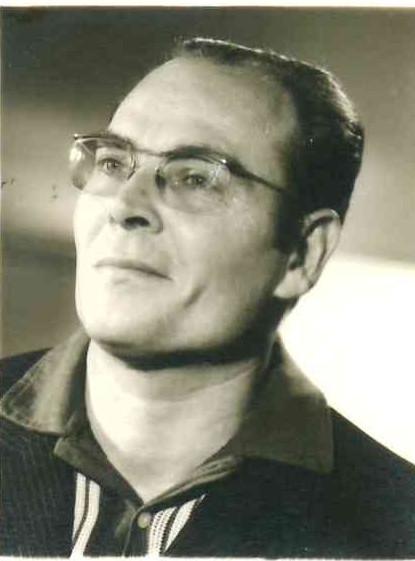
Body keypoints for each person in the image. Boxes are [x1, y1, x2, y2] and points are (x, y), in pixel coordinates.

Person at [1, 37, 414, 558]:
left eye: (195, 177)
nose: (125, 205)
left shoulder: (397, 529)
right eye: (113, 162)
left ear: (301, 254)